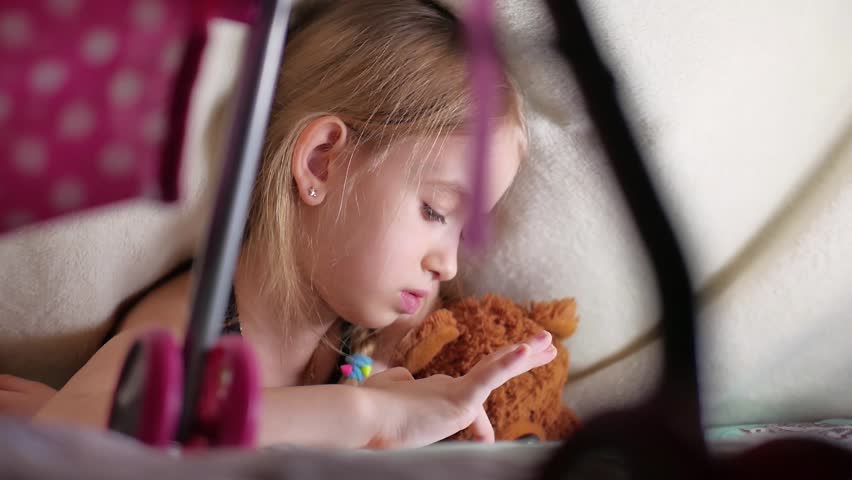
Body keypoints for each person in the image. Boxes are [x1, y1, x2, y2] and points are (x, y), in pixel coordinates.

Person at [11, 0, 557, 449]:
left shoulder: (380, 334)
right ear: (321, 160)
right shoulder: (195, 328)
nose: (449, 262)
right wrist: (367, 412)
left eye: (462, 232)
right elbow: (71, 439)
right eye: (435, 211)